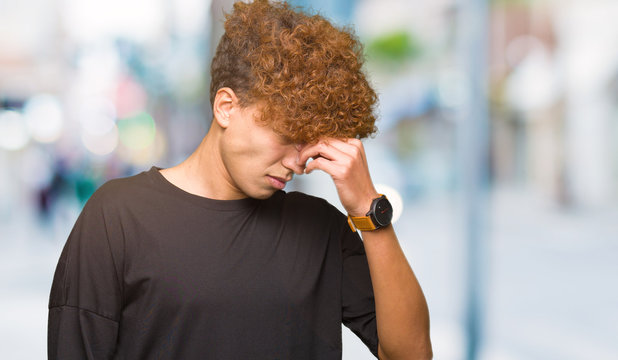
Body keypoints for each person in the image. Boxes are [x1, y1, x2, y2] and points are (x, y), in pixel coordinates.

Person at [47, 0, 432, 359]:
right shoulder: (117, 218)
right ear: (226, 107)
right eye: (286, 137)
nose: (298, 163)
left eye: (308, 144)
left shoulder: (320, 228)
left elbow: (411, 354)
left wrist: (369, 209)